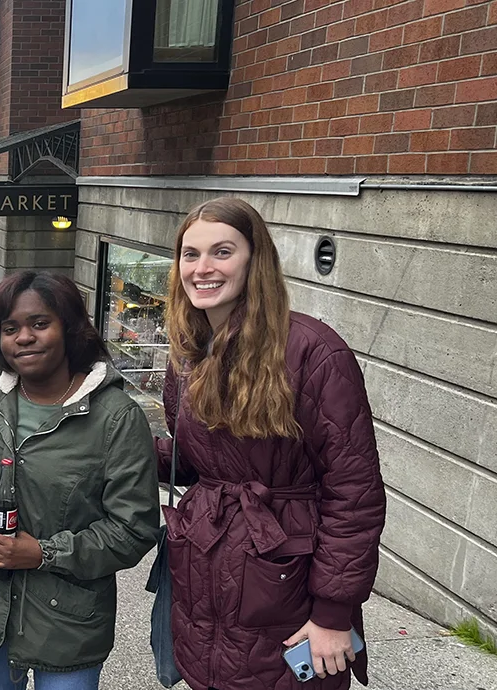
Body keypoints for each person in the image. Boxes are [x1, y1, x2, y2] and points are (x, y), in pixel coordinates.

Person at [156, 197, 386, 690]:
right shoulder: (188, 354)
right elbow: (197, 460)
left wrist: (332, 614)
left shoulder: (313, 351)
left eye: (222, 252)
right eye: (190, 254)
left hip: (286, 582)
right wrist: (112, 448)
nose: (202, 268)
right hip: (207, 579)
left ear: (254, 258)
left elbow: (354, 493)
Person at [0, 270, 160, 690]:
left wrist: (44, 553)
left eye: (39, 324)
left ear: (70, 328)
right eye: (10, 328)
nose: (24, 338)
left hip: (68, 623)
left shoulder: (116, 418)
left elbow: (134, 529)